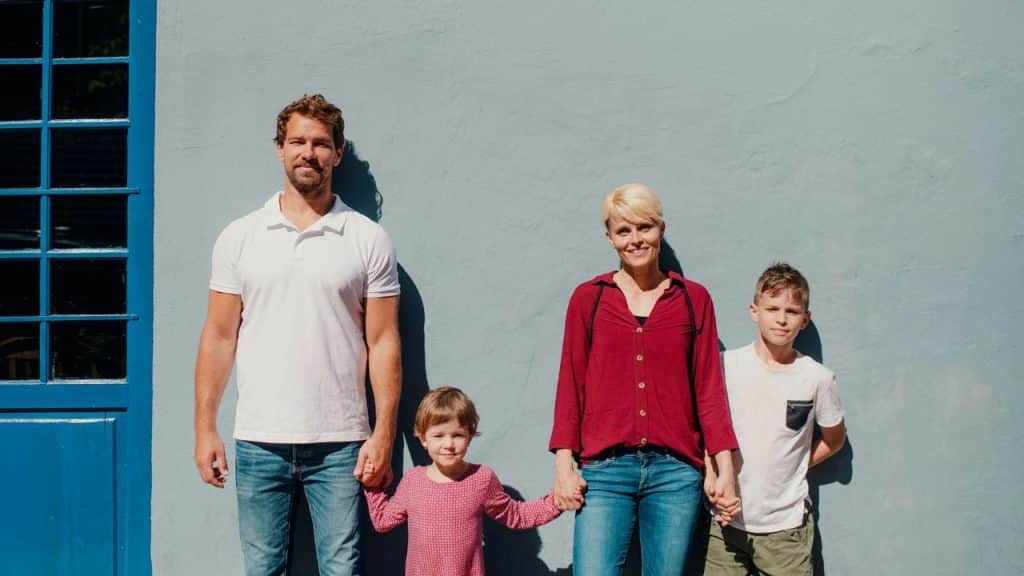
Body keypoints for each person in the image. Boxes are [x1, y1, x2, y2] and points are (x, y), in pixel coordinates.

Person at [193, 94, 401, 576]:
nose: (309, 152)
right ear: (280, 149)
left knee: (341, 569)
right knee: (263, 570)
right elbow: (219, 337)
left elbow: (385, 341)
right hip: (258, 439)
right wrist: (205, 428)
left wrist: (384, 432)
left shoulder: (366, 238)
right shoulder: (240, 236)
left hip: (342, 442)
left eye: (321, 143)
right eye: (298, 141)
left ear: (338, 153)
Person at [549, 183, 741, 575]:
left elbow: (709, 390)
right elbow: (571, 384)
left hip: (675, 473)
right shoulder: (590, 298)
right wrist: (564, 468)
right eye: (624, 231)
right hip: (604, 471)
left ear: (661, 229)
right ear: (610, 238)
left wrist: (725, 471)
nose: (635, 239)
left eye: (644, 227)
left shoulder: (693, 299)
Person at [704, 262, 846, 575]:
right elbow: (704, 426)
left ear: (804, 319)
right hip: (726, 523)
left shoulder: (817, 378)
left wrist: (795, 464)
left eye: (792, 311)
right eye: (772, 308)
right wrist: (710, 472)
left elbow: (835, 440)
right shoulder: (725, 367)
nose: (781, 319)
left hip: (785, 530)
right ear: (754, 311)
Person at [364, 387, 562, 576]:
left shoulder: (481, 479)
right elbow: (383, 521)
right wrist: (372, 483)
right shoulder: (413, 481)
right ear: (423, 438)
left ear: (469, 436)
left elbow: (516, 515)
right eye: (439, 435)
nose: (448, 444)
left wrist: (558, 500)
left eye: (457, 435)